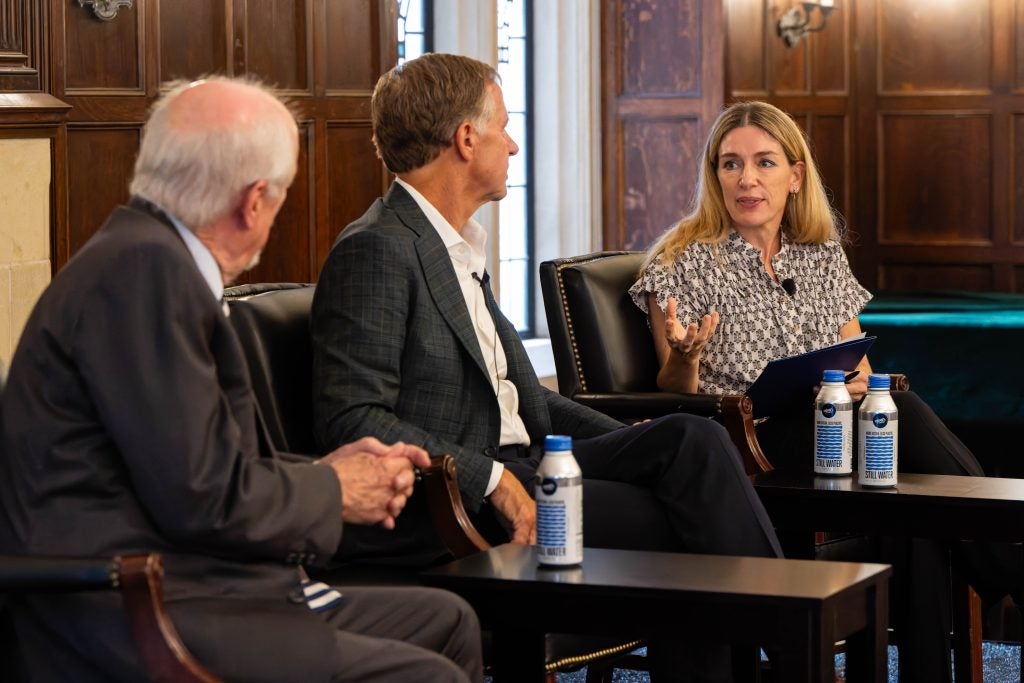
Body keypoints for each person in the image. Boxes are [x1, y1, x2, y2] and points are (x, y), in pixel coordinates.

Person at [311, 52, 783, 681]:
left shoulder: (457, 247)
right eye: (503, 127)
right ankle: (792, 647)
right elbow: (352, 420)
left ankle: (785, 641)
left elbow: (519, 395)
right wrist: (490, 480)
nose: (511, 144)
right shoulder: (378, 248)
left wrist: (627, 443)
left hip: (532, 467)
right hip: (453, 504)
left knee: (690, 440)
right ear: (465, 138)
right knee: (684, 519)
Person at [0, 76, 482, 683]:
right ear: (254, 202)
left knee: (448, 621)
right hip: (135, 607)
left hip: (190, 578)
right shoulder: (145, 273)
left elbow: (189, 463)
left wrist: (320, 473)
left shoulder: (147, 257)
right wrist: (334, 491)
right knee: (424, 675)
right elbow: (202, 495)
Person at [630, 99, 1021, 682]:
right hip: (747, 447)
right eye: (730, 164)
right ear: (714, 176)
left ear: (795, 174)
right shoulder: (681, 261)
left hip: (828, 427)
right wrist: (685, 357)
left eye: (764, 162)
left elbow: (856, 357)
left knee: (909, 509)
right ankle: (1012, 566)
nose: (747, 179)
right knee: (906, 415)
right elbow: (673, 390)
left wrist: (861, 379)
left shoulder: (818, 253)